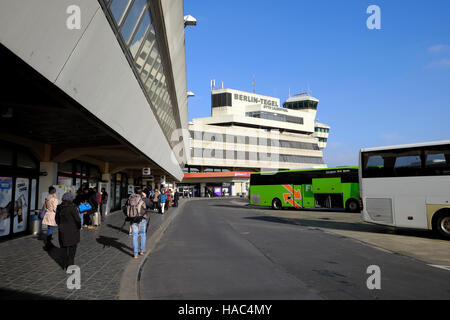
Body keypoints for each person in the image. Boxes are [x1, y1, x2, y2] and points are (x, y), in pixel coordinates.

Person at [55, 192, 81, 270]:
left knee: (63, 249)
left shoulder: (59, 207)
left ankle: (63, 264)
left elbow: (56, 219)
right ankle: (70, 265)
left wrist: (60, 225)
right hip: (73, 231)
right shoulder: (72, 207)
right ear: (71, 199)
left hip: (62, 231)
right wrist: (78, 227)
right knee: (72, 250)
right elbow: (78, 220)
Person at [126, 187, 147, 259]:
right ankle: (141, 250)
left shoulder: (130, 197)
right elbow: (149, 205)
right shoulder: (142, 198)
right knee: (142, 234)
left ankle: (135, 254)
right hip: (141, 218)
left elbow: (127, 206)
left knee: (134, 236)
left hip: (132, 219)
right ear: (141, 192)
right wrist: (145, 197)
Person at [42, 186, 60, 250]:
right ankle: (48, 243)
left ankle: (48, 243)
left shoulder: (47, 198)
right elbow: (55, 209)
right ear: (54, 192)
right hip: (52, 215)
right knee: (51, 229)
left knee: (49, 228)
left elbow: (45, 207)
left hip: (47, 215)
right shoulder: (54, 199)